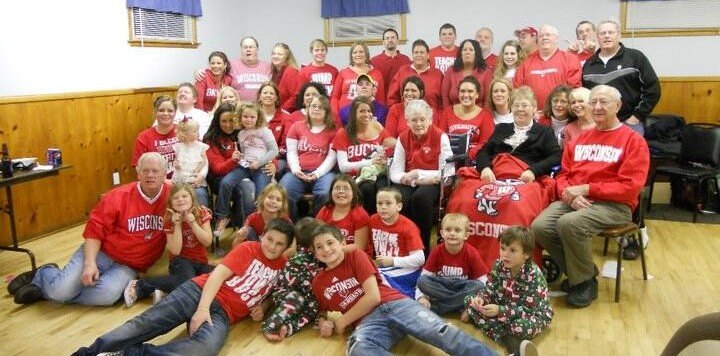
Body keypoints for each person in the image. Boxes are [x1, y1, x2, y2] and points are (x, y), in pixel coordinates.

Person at [73, 219, 295, 355]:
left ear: (287, 247)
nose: (273, 247)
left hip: (224, 315)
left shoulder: (284, 267)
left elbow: (273, 294)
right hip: (198, 293)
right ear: (263, 235)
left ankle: (129, 354)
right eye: (270, 239)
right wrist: (202, 309)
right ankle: (88, 353)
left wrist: (264, 307)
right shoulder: (249, 248)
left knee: (204, 350)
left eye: (279, 244)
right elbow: (216, 275)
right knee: (144, 324)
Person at [532, 85, 650, 308]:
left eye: (603, 102)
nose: (596, 107)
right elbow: (564, 175)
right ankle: (584, 275)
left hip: (615, 205)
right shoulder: (580, 140)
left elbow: (630, 187)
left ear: (618, 105)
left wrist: (587, 189)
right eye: (593, 102)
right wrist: (569, 197)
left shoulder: (633, 141)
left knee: (570, 223)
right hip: (576, 199)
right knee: (540, 226)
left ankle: (584, 283)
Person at [310, 224, 500, 356]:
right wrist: (324, 321)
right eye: (319, 247)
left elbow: (373, 297)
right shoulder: (318, 282)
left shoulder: (355, 256)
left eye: (330, 243)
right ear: (314, 253)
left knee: (439, 331)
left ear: (342, 243)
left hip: (393, 304)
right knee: (357, 348)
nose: (326, 250)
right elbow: (319, 310)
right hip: (368, 323)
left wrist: (342, 321)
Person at [11, 153, 172, 305]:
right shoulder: (117, 197)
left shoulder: (173, 197)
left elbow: (189, 196)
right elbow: (94, 232)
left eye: (155, 171)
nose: (150, 175)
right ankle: (44, 274)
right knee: (62, 290)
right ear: (138, 174)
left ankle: (50, 292)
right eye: (145, 171)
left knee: (107, 296)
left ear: (165, 174)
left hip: (129, 266)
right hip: (102, 252)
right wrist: (90, 264)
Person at [464, 226, 553, 356]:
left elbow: (529, 310)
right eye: (502, 248)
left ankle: (512, 344)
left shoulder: (533, 275)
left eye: (512, 250)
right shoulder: (499, 264)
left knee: (520, 326)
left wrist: (500, 311)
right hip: (504, 305)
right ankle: (511, 342)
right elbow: (490, 288)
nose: (505, 254)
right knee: (470, 300)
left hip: (530, 314)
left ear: (526, 254)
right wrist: (482, 299)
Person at [123, 183, 213, 307]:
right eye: (176, 198)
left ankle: (166, 292)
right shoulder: (168, 219)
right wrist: (177, 225)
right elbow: (176, 251)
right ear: (171, 202)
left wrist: (192, 223)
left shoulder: (201, 212)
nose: (180, 199)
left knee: (215, 277)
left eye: (184, 196)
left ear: (192, 198)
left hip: (201, 261)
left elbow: (207, 241)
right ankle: (140, 285)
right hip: (180, 261)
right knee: (187, 282)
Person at [389, 99, 452, 251]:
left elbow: (448, 171)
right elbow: (395, 173)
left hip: (434, 183)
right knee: (400, 198)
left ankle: (422, 247)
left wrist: (418, 173)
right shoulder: (403, 138)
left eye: (422, 119)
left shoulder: (440, 136)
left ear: (429, 120)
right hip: (413, 181)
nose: (418, 124)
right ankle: (404, 244)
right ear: (408, 122)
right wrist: (416, 181)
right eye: (414, 120)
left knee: (421, 198)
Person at [582, 19, 661, 136]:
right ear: (597, 37)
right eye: (602, 33)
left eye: (611, 32)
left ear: (619, 36)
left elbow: (653, 90)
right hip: (598, 124)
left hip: (629, 122)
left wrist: (636, 117)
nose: (606, 36)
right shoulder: (589, 64)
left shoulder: (635, 57)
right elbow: (586, 96)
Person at [476, 86, 561, 184]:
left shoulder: (545, 132)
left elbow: (556, 156)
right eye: (516, 105)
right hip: (495, 178)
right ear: (511, 108)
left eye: (525, 105)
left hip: (525, 180)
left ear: (534, 108)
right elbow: (484, 151)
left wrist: (534, 171)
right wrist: (485, 168)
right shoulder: (501, 128)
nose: (520, 109)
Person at [262, 217, 322, 341]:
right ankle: (271, 325)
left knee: (312, 307)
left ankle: (289, 327)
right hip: (285, 294)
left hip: (304, 294)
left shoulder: (317, 258)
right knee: (298, 299)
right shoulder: (299, 260)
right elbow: (305, 287)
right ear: (312, 245)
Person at [416, 213, 488, 316]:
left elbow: (483, 280)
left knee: (478, 285)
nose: (452, 233)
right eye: (448, 230)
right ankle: (459, 304)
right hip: (442, 285)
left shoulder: (472, 253)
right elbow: (424, 276)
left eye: (457, 230)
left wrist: (477, 298)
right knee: (422, 281)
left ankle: (440, 307)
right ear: (442, 233)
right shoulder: (437, 250)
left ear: (466, 235)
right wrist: (421, 297)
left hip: (462, 286)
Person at [280, 96, 337, 220]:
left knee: (324, 193)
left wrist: (317, 173)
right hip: (298, 172)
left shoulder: (333, 130)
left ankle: (317, 227)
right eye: (313, 106)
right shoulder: (296, 126)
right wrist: (296, 170)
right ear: (307, 108)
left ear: (327, 111)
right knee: (285, 191)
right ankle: (292, 225)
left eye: (321, 107)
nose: (316, 109)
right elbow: (291, 152)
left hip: (323, 174)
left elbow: (332, 157)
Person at [333, 97, 392, 215]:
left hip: (377, 174)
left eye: (369, 111)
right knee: (367, 188)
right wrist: (370, 162)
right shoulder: (343, 133)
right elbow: (343, 167)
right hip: (355, 177)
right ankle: (366, 222)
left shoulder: (378, 128)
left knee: (383, 187)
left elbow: (390, 147)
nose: (367, 114)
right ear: (353, 113)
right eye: (362, 111)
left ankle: (381, 223)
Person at [368, 187, 425, 298]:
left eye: (388, 203)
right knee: (365, 275)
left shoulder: (408, 227)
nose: (383, 207)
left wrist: (392, 261)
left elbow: (420, 259)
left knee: (376, 276)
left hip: (408, 269)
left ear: (399, 206)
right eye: (379, 203)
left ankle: (410, 298)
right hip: (385, 268)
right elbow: (368, 245)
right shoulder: (373, 220)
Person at [514, 24, 582, 112]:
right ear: (537, 40)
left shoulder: (570, 59)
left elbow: (574, 90)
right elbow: (518, 90)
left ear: (557, 38)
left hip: (563, 116)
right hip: (534, 116)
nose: (544, 38)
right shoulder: (525, 63)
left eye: (548, 35)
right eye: (541, 36)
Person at [203, 103, 246, 237]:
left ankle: (243, 227)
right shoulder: (210, 138)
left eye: (232, 120)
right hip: (219, 179)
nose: (228, 125)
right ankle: (236, 225)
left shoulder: (243, 134)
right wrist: (232, 160)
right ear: (217, 121)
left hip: (242, 175)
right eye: (224, 121)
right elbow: (217, 169)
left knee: (250, 187)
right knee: (241, 191)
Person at [234, 101, 279, 215]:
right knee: (243, 189)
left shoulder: (265, 131)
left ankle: (260, 219)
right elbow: (245, 152)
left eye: (252, 117)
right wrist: (241, 159)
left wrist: (259, 163)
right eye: (245, 116)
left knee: (260, 194)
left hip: (262, 166)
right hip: (247, 167)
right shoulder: (240, 134)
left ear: (258, 117)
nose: (248, 119)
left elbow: (274, 150)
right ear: (240, 117)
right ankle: (248, 221)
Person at [437, 75, 495, 159]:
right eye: (462, 91)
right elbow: (441, 138)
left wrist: (468, 155)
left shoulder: (485, 115)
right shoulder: (447, 112)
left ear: (477, 94)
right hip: (449, 159)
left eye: (470, 91)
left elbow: (486, 143)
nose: (466, 95)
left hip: (474, 161)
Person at [387, 39, 444, 112]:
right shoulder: (402, 71)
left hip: (430, 118)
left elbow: (442, 101)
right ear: (412, 55)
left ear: (428, 55)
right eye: (416, 52)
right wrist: (397, 114)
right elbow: (392, 98)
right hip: (406, 117)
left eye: (422, 52)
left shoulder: (438, 74)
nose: (419, 55)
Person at [316, 174, 370, 251]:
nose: (341, 191)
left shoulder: (361, 215)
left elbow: (359, 246)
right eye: (337, 188)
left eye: (346, 188)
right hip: (329, 254)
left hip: (354, 256)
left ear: (354, 193)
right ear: (331, 192)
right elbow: (319, 238)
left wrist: (335, 250)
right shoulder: (324, 211)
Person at [331, 41, 386, 114]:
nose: (358, 54)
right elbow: (334, 97)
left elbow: (381, 98)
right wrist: (335, 115)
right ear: (351, 55)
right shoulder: (343, 73)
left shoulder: (376, 73)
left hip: (370, 114)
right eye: (355, 52)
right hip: (346, 115)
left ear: (366, 54)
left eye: (361, 52)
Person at [132, 95, 178, 175]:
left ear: (175, 113)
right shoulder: (144, 137)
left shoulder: (184, 131)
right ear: (155, 112)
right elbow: (138, 167)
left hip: (184, 181)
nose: (166, 113)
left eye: (170, 111)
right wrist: (164, 182)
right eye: (161, 110)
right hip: (155, 183)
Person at [172, 117, 210, 208]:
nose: (198, 133)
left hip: (197, 181)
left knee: (200, 193)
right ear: (185, 133)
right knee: (179, 194)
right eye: (194, 131)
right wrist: (177, 167)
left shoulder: (201, 147)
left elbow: (205, 163)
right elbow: (177, 164)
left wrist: (202, 175)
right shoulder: (178, 147)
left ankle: (203, 218)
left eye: (198, 130)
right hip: (181, 180)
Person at [441, 39, 491, 108]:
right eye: (464, 50)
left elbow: (488, 100)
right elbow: (445, 97)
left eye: (471, 50)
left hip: (479, 115)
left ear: (477, 53)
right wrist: (447, 115)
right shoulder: (451, 70)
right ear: (460, 53)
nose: (467, 52)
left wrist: (485, 116)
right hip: (453, 114)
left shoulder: (486, 72)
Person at [228, 37, 272, 101]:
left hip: (262, 108)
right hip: (239, 108)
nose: (248, 49)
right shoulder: (231, 65)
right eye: (245, 47)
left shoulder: (268, 67)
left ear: (257, 49)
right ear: (241, 50)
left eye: (251, 47)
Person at [370, 28, 411, 94]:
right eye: (387, 38)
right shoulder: (374, 62)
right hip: (381, 101)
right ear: (383, 42)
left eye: (393, 37)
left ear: (397, 41)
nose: (390, 40)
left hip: (400, 102)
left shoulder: (406, 60)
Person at [270, 42, 301, 112]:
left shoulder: (291, 72)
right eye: (273, 54)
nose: (275, 56)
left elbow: (297, 96)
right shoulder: (275, 72)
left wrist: (283, 110)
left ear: (286, 57)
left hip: (288, 114)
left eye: (279, 54)